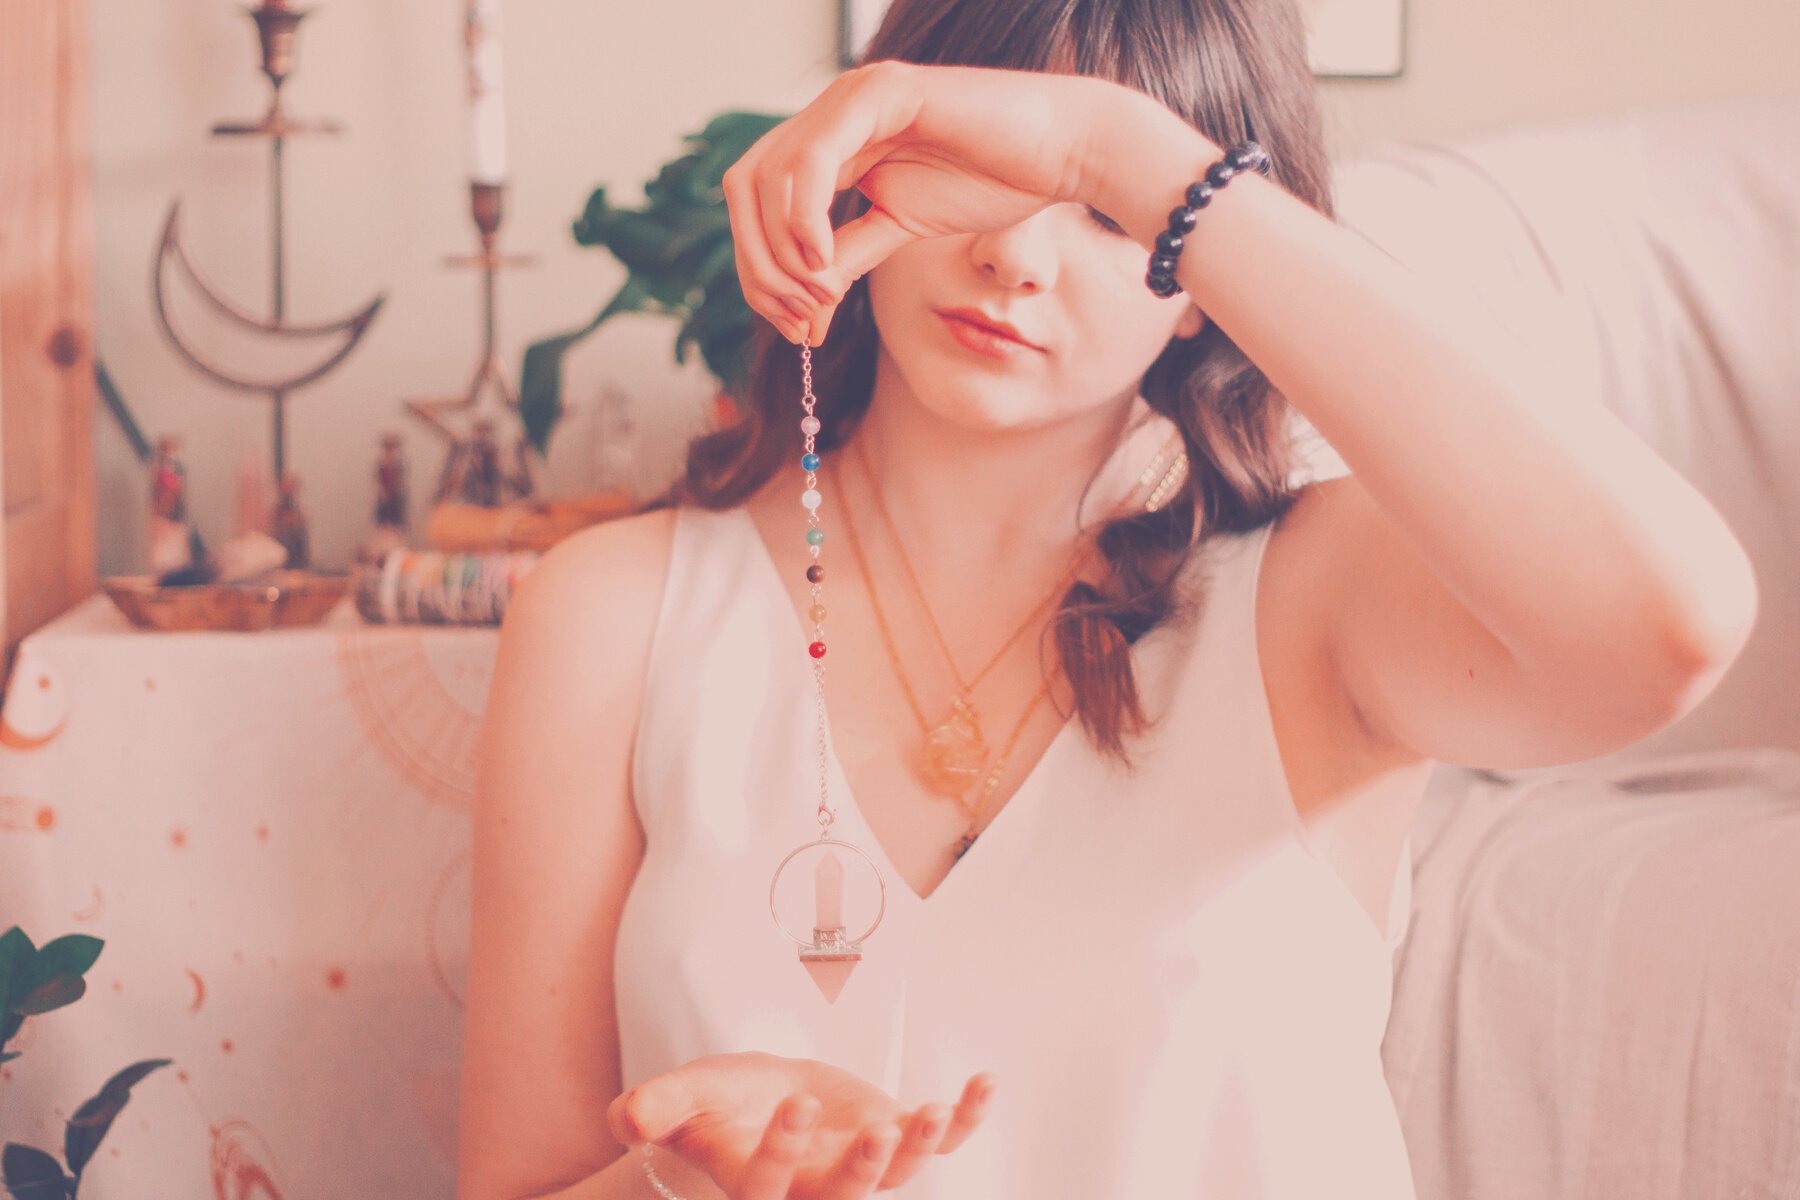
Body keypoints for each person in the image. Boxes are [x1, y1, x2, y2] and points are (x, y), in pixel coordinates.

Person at [455, 3, 1758, 1198]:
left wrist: (1129, 154)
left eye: (1100, 216)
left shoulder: (1317, 603)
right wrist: (685, 1184)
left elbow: (1669, 631)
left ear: (1201, 288)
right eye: (990, 174)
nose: (1017, 256)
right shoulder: (612, 615)